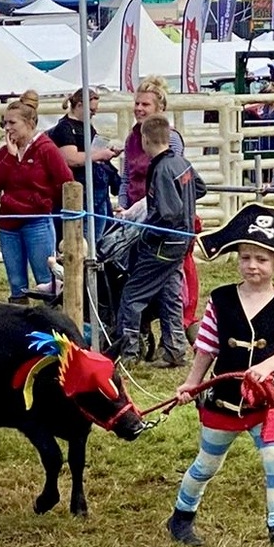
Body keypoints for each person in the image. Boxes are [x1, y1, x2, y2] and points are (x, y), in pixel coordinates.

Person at [167, 203, 274, 547]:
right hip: (223, 399)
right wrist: (192, 384)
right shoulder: (220, 299)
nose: (252, 265)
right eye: (246, 257)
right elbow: (206, 347)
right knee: (206, 464)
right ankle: (181, 517)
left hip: (269, 401)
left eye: (262, 259)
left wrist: (268, 366)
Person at [112, 114, 206, 368]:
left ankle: (128, 353)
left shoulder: (162, 169)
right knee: (169, 295)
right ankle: (175, 350)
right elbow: (200, 188)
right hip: (182, 242)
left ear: (145, 139)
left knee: (132, 296)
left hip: (163, 243)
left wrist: (145, 232)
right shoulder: (180, 162)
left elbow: (168, 212)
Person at [0, 90, 73, 303]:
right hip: (9, 224)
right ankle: (19, 315)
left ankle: (52, 315)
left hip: (37, 222)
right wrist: (10, 158)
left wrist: (43, 201)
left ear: (29, 123)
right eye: (5, 123)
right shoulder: (4, 153)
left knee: (46, 278)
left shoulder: (46, 150)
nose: (7, 128)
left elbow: (66, 182)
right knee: (16, 282)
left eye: (12, 123)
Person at [48, 88, 120, 240]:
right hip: (78, 192)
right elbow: (71, 159)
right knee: (85, 239)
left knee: (99, 237)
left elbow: (90, 152)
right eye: (91, 110)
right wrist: (100, 154)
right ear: (80, 105)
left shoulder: (87, 126)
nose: (94, 114)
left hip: (96, 190)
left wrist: (107, 152)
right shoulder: (64, 128)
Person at [118, 76, 184, 210]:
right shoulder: (131, 138)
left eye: (145, 104)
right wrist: (123, 206)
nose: (139, 108)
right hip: (133, 208)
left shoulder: (171, 138)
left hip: (160, 210)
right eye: (137, 103)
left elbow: (173, 180)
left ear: (160, 108)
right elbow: (127, 178)